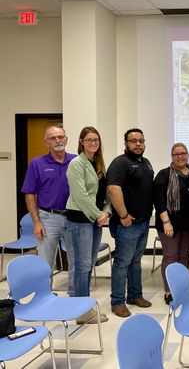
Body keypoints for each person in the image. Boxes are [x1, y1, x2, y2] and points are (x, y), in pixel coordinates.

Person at [22, 125, 76, 295]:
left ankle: (75, 296)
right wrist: (36, 222)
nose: (58, 140)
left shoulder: (76, 161)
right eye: (52, 138)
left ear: (66, 139)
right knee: (45, 262)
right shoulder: (37, 164)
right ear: (46, 142)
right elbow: (30, 194)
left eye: (61, 137)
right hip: (48, 217)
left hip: (74, 218)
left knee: (77, 261)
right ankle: (44, 296)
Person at [107, 128, 154, 318]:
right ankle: (117, 301)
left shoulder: (146, 163)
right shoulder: (120, 163)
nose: (138, 144)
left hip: (142, 222)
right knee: (122, 262)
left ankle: (135, 295)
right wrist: (124, 215)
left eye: (141, 140)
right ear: (125, 143)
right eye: (133, 141)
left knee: (135, 261)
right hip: (127, 224)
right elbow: (113, 189)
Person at [65, 126, 110, 324]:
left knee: (89, 263)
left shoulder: (98, 163)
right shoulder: (76, 164)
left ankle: (84, 308)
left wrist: (106, 211)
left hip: (95, 219)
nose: (93, 143)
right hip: (80, 219)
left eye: (96, 140)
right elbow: (80, 195)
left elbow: (105, 192)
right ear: (81, 142)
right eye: (89, 140)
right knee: (82, 266)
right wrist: (98, 215)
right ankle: (81, 312)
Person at [153, 143, 189, 305]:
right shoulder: (164, 175)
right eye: (176, 153)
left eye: (183, 153)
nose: (180, 156)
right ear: (172, 156)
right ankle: (169, 291)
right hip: (168, 224)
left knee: (185, 257)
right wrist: (166, 221)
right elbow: (159, 200)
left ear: (188, 154)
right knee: (171, 257)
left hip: (187, 224)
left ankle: (183, 290)